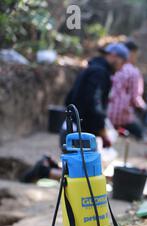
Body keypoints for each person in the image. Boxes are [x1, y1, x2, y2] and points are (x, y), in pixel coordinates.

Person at [21, 43, 129, 183]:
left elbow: (70, 99)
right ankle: (45, 170)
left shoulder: (92, 69)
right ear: (114, 56)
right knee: (84, 178)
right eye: (123, 61)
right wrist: (102, 131)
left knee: (83, 173)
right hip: (79, 135)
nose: (122, 66)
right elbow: (94, 105)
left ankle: (48, 166)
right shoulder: (99, 73)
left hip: (71, 130)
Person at [107, 40, 146, 139]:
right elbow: (135, 99)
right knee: (141, 132)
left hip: (106, 114)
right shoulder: (134, 72)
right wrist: (145, 108)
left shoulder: (110, 68)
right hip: (122, 117)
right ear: (131, 54)